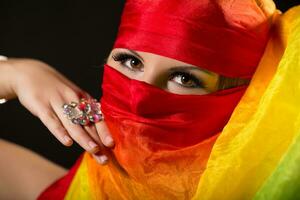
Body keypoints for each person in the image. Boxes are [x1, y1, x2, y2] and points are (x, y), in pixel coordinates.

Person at [1, 1, 300, 200]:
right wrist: (15, 74)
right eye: (130, 62)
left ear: (239, 102)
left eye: (185, 78)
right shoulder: (70, 190)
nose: (140, 96)